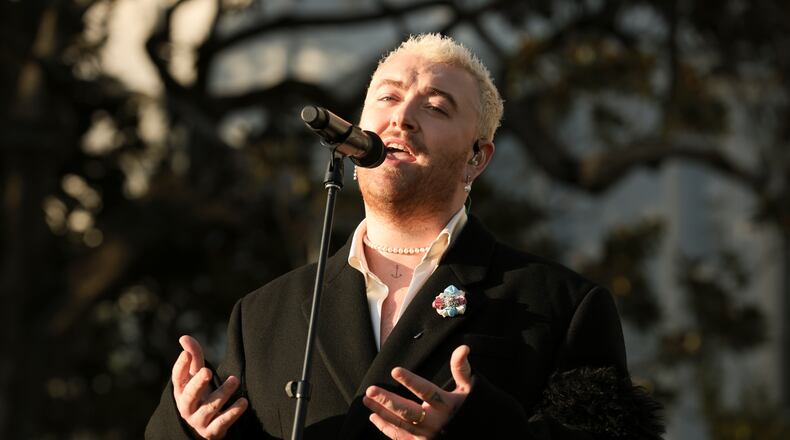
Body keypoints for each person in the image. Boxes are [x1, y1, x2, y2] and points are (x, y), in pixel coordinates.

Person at [146, 33, 663, 439]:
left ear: (477, 158)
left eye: (435, 107)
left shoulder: (560, 305)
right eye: (388, 97)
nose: (402, 117)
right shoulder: (264, 314)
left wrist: (477, 431)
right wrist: (191, 428)